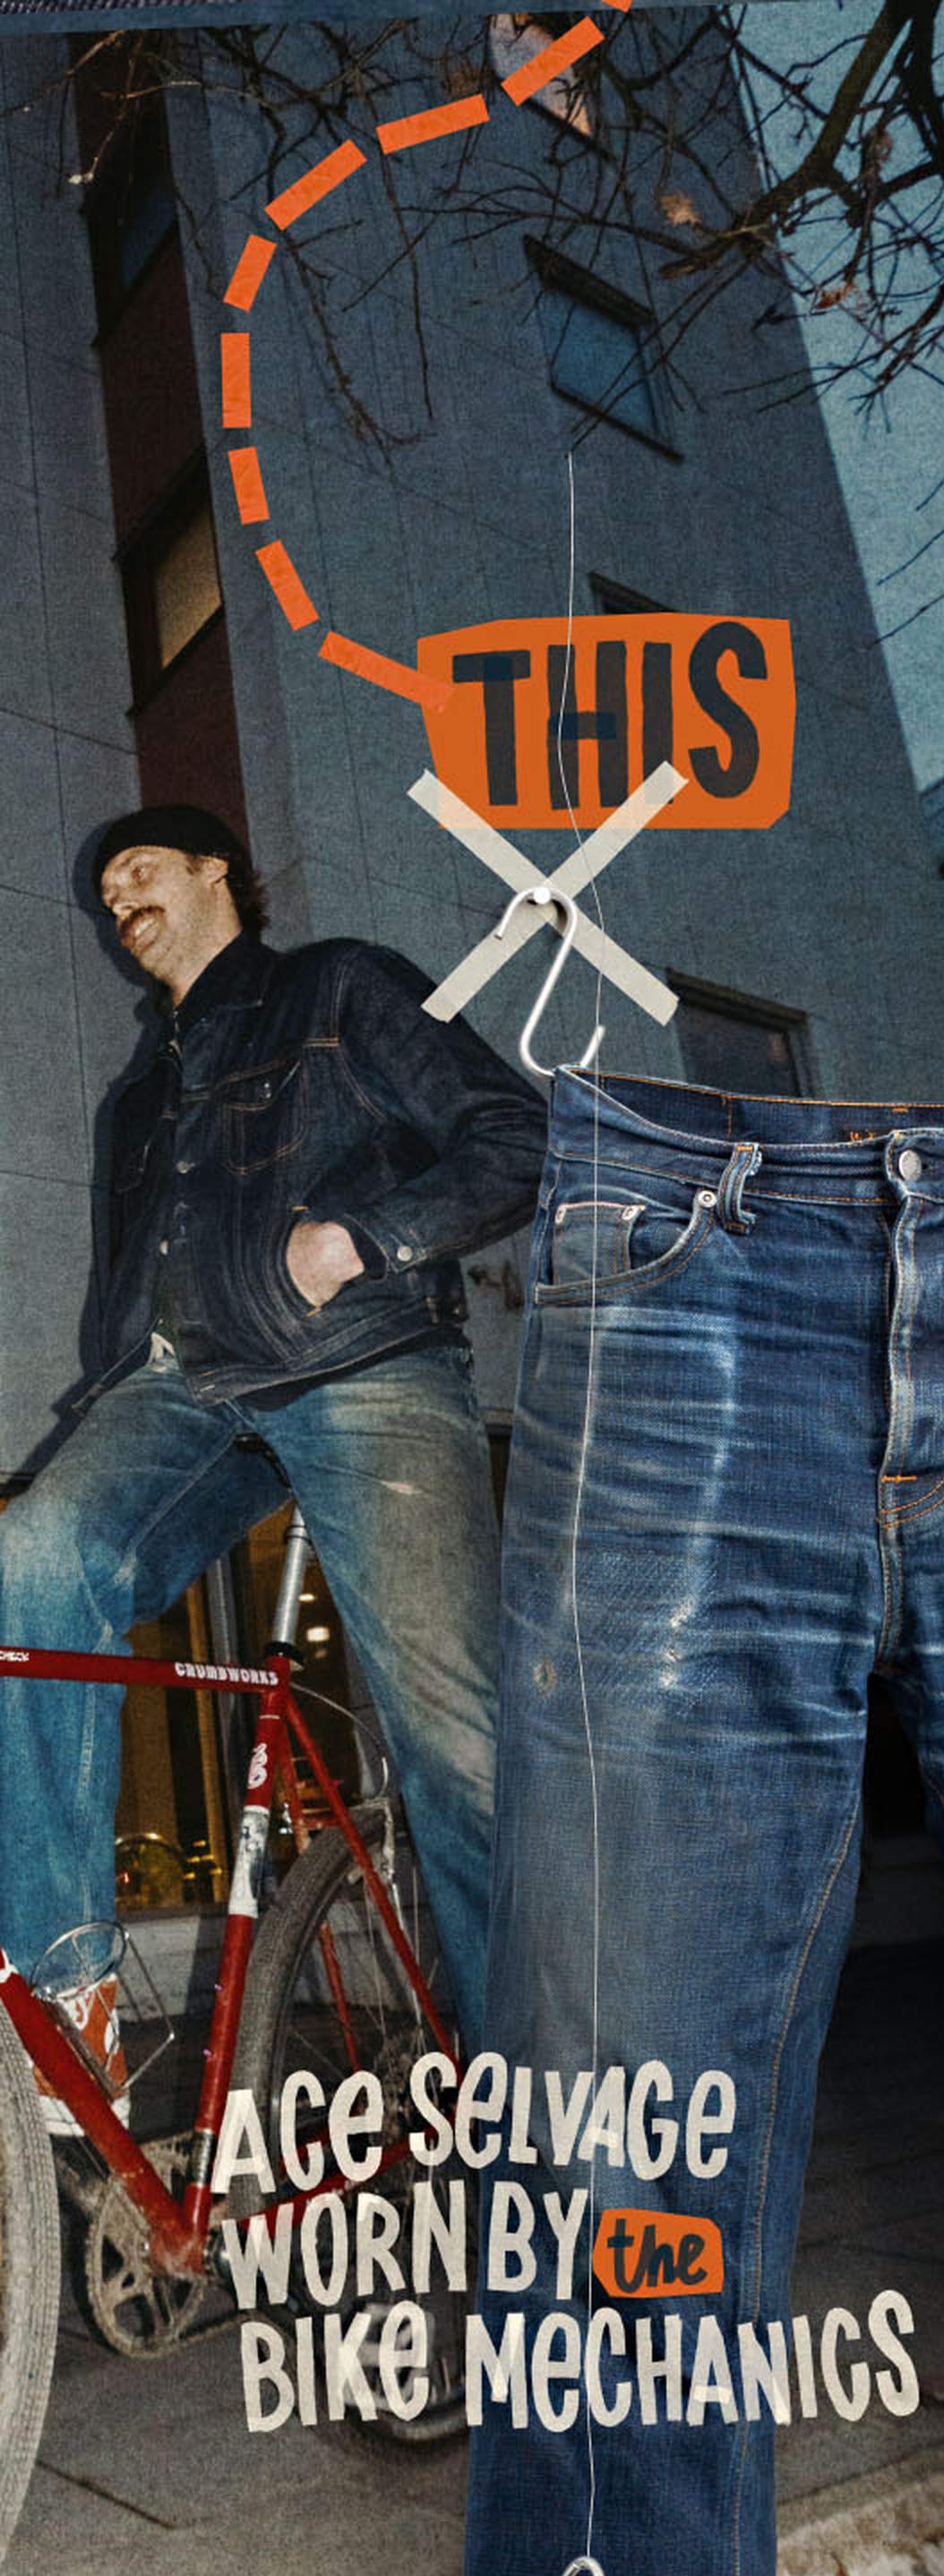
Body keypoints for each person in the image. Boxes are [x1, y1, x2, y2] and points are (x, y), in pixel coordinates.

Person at [0, 805, 545, 2111]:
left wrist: (362, 1234)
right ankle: (66, 2001)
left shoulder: (334, 987)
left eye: (141, 869)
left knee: (458, 1747)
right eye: (104, 884)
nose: (117, 892)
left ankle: (542, 2089)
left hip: (358, 1364)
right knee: (26, 1560)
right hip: (183, 1392)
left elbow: (515, 1137)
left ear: (217, 876)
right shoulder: (142, 1091)